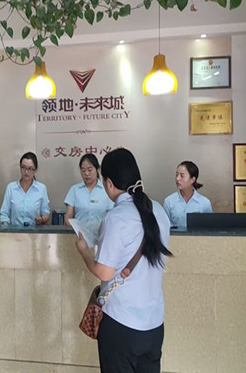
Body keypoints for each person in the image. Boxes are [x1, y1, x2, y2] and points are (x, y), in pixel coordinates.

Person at [75, 148, 172, 373]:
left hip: (120, 324)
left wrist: (84, 251)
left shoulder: (116, 218)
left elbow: (104, 272)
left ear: (109, 183)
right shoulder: (158, 210)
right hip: (154, 325)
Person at [0, 151, 50, 227]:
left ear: (35, 170)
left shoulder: (41, 188)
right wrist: (6, 226)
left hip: (34, 232)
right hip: (15, 232)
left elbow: (46, 213)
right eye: (23, 167)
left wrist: (41, 220)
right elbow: (4, 213)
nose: (26, 172)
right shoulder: (11, 188)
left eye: (30, 169)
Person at [64, 153, 114, 226]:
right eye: (83, 170)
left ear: (97, 169)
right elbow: (68, 217)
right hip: (79, 232)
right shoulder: (74, 190)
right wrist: (76, 228)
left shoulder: (106, 189)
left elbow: (112, 217)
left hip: (101, 232)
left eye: (90, 170)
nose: (86, 173)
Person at [163, 161, 212, 228]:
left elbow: (209, 228)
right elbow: (165, 227)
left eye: (182, 176)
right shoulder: (169, 201)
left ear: (192, 179)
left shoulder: (204, 203)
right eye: (177, 175)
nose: (177, 179)